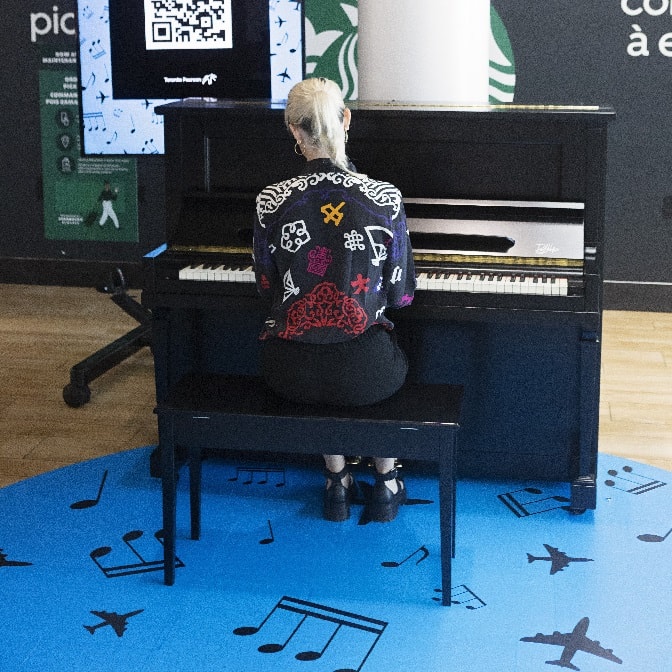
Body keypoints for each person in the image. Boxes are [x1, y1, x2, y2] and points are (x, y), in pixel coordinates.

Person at [253, 77, 416, 523]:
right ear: (346, 119)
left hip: (290, 371)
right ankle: (385, 479)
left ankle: (337, 479)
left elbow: (267, 290)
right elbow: (401, 295)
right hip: (365, 374)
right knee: (371, 354)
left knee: (319, 346)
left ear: (293, 130)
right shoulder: (384, 199)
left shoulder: (271, 200)